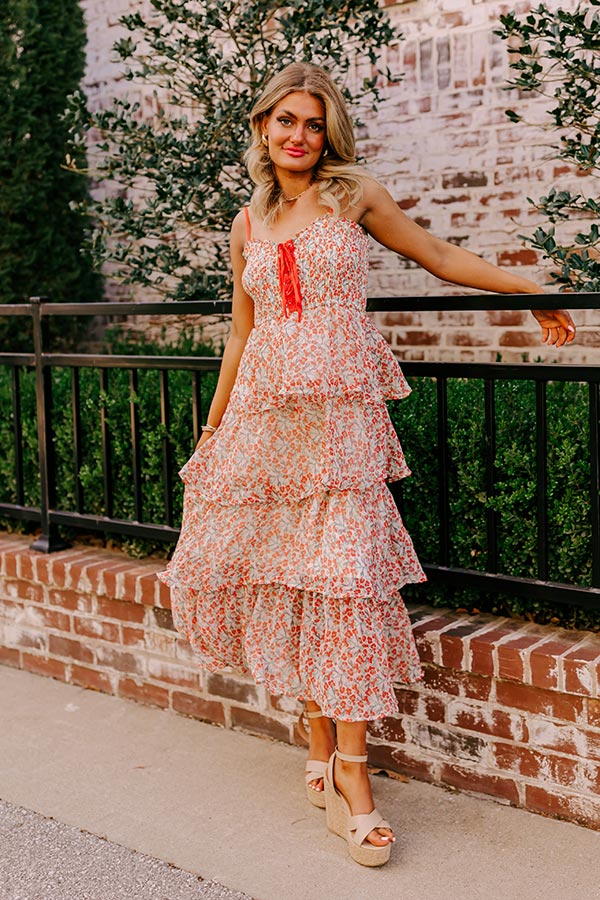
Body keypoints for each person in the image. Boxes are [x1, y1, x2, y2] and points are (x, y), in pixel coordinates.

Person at [159, 62, 575, 867]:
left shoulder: (355, 198)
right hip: (265, 431)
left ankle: (352, 776)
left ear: (330, 133)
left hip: (341, 436)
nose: (299, 137)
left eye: (314, 124)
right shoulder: (247, 223)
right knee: (293, 582)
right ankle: (318, 748)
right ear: (262, 128)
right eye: (286, 121)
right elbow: (242, 335)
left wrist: (523, 287)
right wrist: (213, 432)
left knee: (346, 583)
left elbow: (440, 255)